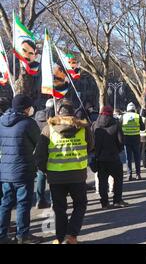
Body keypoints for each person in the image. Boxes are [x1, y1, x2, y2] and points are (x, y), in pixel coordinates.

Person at [35, 99, 94, 244]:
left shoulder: (48, 129)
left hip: (56, 177)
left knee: (59, 209)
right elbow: (90, 147)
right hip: (77, 175)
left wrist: (45, 170)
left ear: (58, 112)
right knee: (80, 205)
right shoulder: (83, 128)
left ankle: (61, 238)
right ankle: (72, 235)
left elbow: (40, 155)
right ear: (73, 112)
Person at [0, 95, 41, 244]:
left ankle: (1, 235)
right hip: (23, 170)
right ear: (25, 108)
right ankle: (22, 235)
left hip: (5, 170)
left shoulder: (1, 122)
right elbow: (40, 142)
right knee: (23, 203)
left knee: (5, 203)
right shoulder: (28, 123)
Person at [92, 106, 128, 209]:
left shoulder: (95, 125)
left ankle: (104, 203)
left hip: (100, 159)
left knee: (102, 182)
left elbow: (92, 141)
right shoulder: (116, 124)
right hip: (113, 158)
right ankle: (117, 200)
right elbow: (121, 141)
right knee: (118, 179)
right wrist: (117, 150)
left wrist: (96, 152)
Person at [33, 99, 55, 210]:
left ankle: (39, 200)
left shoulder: (37, 116)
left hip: (38, 150)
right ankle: (53, 200)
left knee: (40, 176)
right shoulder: (54, 118)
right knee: (52, 177)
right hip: (51, 149)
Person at [122, 103, 144, 181]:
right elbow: (142, 128)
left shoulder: (123, 116)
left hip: (126, 140)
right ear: (134, 109)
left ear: (127, 109)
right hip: (136, 140)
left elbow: (119, 127)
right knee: (137, 158)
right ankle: (138, 174)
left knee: (128, 158)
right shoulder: (138, 116)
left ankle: (129, 175)